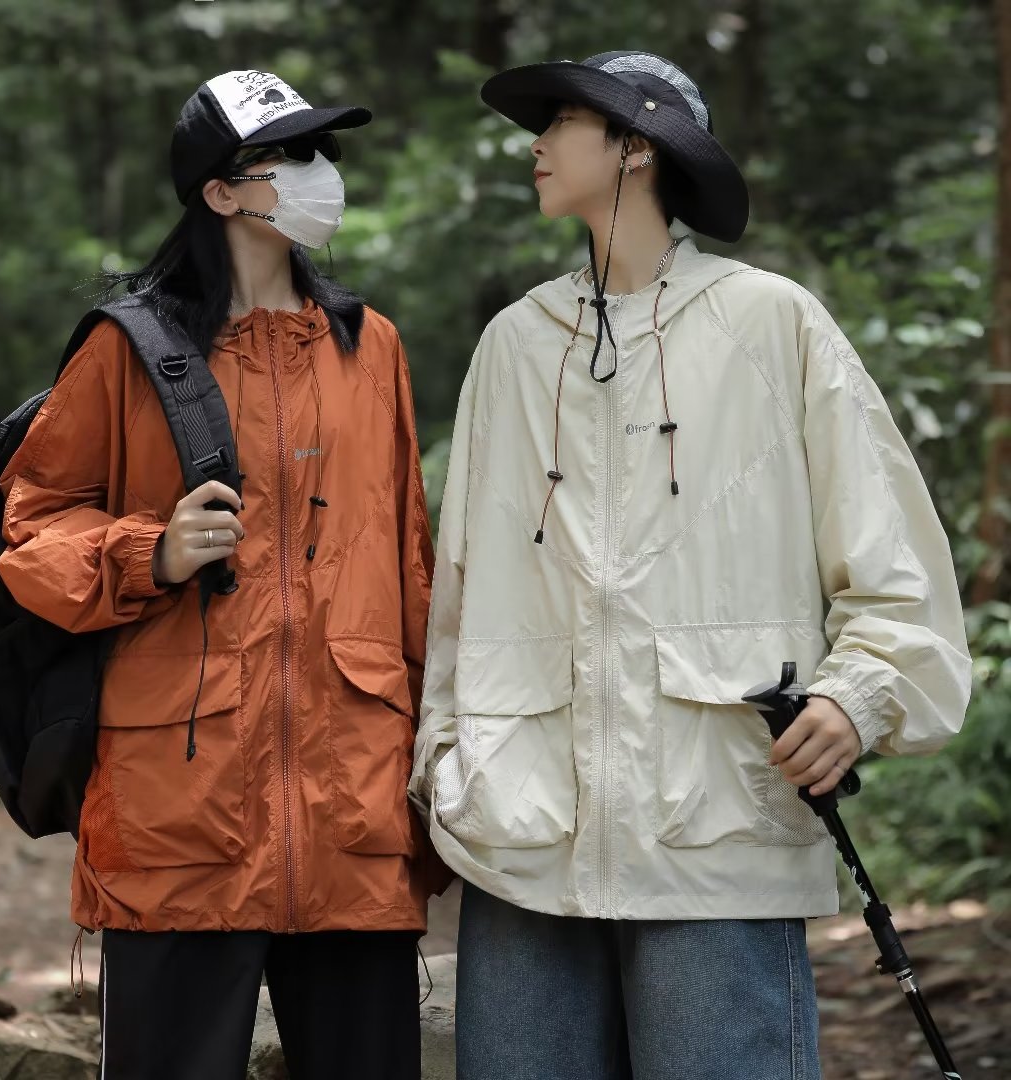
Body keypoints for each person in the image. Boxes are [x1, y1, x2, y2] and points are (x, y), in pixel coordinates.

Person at [409, 51, 971, 1080]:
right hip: (523, 834)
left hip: (718, 831)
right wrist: (444, 763)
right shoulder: (514, 344)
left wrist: (858, 694)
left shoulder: (772, 322)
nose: (536, 144)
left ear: (637, 146)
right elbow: (462, 587)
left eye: (562, 122)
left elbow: (896, 562)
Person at [0, 70, 445, 1080]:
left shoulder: (370, 346)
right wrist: (145, 552)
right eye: (290, 155)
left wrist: (434, 759)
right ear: (220, 190)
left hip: (354, 807)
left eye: (322, 151)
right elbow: (31, 529)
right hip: (177, 813)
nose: (319, 173)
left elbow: (407, 564)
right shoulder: (130, 349)